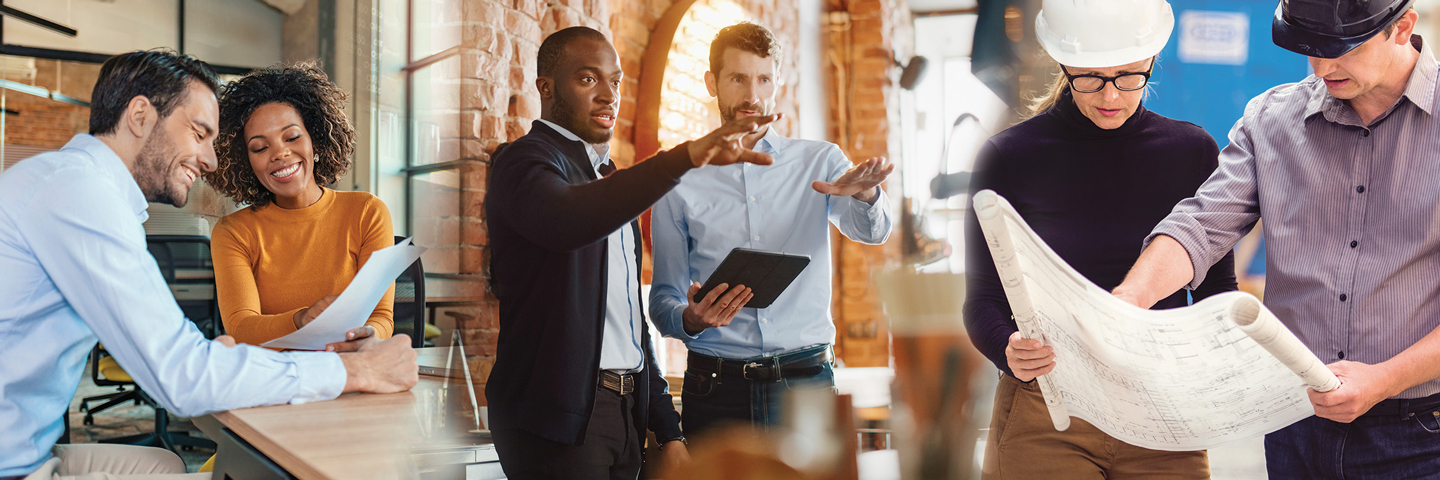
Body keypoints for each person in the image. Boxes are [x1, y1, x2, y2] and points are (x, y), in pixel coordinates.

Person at [0, 50, 417, 480]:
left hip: (28, 449)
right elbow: (182, 377)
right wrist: (352, 369)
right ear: (140, 116)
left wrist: (205, 360)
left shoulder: (74, 184)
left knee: (166, 464)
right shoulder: (79, 196)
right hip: (11, 465)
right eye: (199, 133)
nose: (211, 160)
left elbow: (179, 360)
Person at [1110, 1, 1440, 477]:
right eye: (1309, 49)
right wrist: (1132, 296)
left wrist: (1385, 379)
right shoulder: (1270, 121)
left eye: (1340, 48)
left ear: (1402, 27)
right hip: (1295, 426)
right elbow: (1202, 225)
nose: (1322, 66)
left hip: (1422, 434)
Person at [484, 26, 779, 480]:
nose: (608, 95)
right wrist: (683, 158)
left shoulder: (607, 179)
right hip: (556, 425)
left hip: (623, 417)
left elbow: (628, 324)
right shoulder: (522, 162)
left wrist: (668, 429)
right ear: (546, 87)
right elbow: (566, 219)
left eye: (615, 82)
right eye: (588, 79)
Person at [963, 0, 1237, 478]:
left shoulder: (1192, 152)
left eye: (1129, 76)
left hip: (1162, 410)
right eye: (1090, 77)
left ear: (1151, 61)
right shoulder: (1008, 157)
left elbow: (1216, 292)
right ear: (1064, 65)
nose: (1110, 96)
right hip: (1047, 408)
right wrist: (1006, 346)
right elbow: (982, 297)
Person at [648, 22, 894, 440]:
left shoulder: (820, 161)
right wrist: (690, 319)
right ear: (712, 83)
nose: (752, 95)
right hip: (716, 389)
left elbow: (874, 232)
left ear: (777, 81)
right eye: (738, 79)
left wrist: (867, 194)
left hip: (805, 385)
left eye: (763, 79)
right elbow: (662, 301)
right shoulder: (680, 177)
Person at [205, 63, 393, 351]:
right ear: (246, 162)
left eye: (292, 137)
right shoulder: (233, 231)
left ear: (315, 141)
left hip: (349, 370)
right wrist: (301, 320)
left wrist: (368, 336)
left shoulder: (367, 212)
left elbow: (381, 319)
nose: (280, 153)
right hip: (273, 378)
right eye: (259, 147)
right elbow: (241, 327)